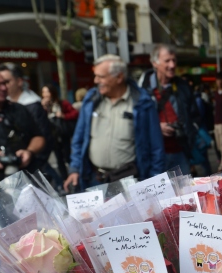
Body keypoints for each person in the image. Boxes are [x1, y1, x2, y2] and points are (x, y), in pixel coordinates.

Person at [64, 54, 164, 191]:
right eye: (95, 76)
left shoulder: (143, 103)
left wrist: (154, 183)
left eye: (101, 77)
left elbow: (156, 147)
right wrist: (74, 169)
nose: (96, 80)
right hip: (95, 180)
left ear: (119, 77)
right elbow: (79, 138)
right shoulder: (91, 100)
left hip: (129, 181)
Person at [0, 63, 60, 187]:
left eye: (6, 82)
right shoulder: (2, 106)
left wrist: (31, 160)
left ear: (19, 81)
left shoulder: (32, 106)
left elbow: (44, 138)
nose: (2, 87)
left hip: (29, 169)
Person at [138, 44, 199, 175]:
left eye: (174, 60)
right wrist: (157, 127)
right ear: (155, 63)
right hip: (155, 158)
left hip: (181, 153)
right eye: (167, 61)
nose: (172, 65)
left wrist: (190, 133)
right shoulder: (142, 90)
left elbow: (195, 116)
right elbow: (136, 123)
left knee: (185, 188)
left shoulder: (183, 87)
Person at [41, 84, 78, 178]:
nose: (45, 94)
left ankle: (74, 174)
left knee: (67, 155)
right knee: (59, 157)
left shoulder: (62, 103)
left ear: (52, 92)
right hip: (52, 134)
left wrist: (63, 116)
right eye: (43, 92)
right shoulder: (42, 106)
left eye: (47, 91)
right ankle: (64, 179)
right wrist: (43, 107)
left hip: (63, 133)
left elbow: (75, 113)